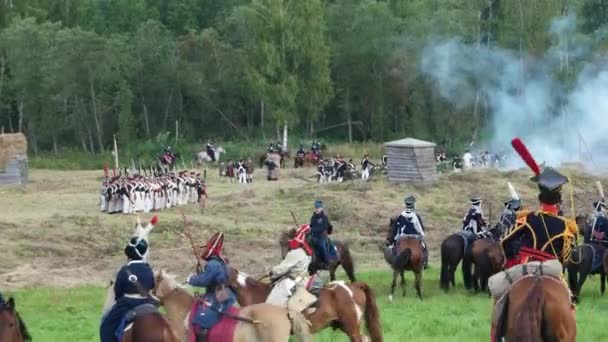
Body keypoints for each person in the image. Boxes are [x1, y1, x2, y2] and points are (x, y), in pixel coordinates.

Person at [501, 167, 578, 269]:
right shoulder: (566, 225)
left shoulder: (527, 217)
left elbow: (505, 240)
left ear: (540, 200)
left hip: (526, 265)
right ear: (558, 202)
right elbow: (566, 257)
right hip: (551, 268)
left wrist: (511, 259)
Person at [100, 217, 158, 342]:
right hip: (146, 303)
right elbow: (152, 286)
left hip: (127, 303)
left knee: (106, 325)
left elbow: (118, 292)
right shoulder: (148, 269)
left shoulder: (124, 270)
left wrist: (120, 300)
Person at [188, 232, 236, 342]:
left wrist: (191, 279)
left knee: (202, 321)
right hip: (220, 292)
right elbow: (208, 277)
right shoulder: (217, 262)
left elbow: (205, 280)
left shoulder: (213, 264)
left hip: (217, 295)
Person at [266, 224, 313, 307]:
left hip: (293, 280)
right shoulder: (306, 251)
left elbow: (283, 268)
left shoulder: (295, 253)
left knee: (273, 300)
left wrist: (272, 271)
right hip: (303, 277)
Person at [387, 196, 428, 268]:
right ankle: (425, 262)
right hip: (415, 236)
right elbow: (420, 227)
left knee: (393, 247)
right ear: (414, 205)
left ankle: (393, 261)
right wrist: (422, 234)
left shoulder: (401, 215)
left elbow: (397, 227)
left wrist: (396, 237)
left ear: (405, 205)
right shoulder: (416, 215)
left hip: (402, 236)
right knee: (424, 247)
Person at [309, 200, 333, 267]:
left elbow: (323, 227)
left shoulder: (324, 218)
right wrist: (309, 230)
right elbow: (311, 225)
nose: (317, 209)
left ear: (321, 208)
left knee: (321, 245)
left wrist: (312, 230)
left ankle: (327, 262)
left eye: (318, 208)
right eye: (316, 208)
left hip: (322, 236)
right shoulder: (313, 217)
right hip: (313, 236)